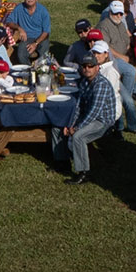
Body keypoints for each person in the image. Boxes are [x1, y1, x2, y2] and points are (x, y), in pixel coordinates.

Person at [57, 41, 123, 185]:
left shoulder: (101, 85)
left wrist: (77, 128)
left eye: (90, 66)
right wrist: (72, 123)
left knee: (78, 137)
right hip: (91, 117)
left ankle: (84, 173)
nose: (87, 69)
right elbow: (80, 105)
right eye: (84, 66)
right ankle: (68, 163)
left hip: (103, 120)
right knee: (69, 131)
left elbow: (94, 111)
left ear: (97, 68)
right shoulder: (85, 82)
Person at [92, 1, 136, 134]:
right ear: (110, 13)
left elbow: (126, 41)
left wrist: (128, 52)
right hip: (113, 61)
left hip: (121, 59)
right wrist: (123, 57)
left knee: (131, 73)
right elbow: (106, 49)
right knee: (127, 96)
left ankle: (126, 119)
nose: (118, 15)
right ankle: (123, 125)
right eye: (116, 13)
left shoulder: (121, 24)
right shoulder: (104, 26)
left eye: (121, 13)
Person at [9, 0, 50, 65]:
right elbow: (9, 21)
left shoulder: (43, 11)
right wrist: (19, 28)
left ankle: (42, 71)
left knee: (44, 56)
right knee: (21, 54)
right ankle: (29, 71)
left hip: (41, 38)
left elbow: (46, 32)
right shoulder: (19, 8)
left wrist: (35, 43)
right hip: (26, 38)